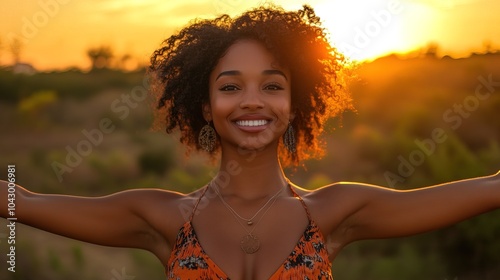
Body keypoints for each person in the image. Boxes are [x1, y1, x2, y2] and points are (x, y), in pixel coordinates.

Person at [1, 5, 499, 280]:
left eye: (273, 86)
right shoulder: (164, 220)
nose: (252, 102)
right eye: (231, 86)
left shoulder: (333, 212)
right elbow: (17, 200)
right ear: (204, 105)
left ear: (295, 103)